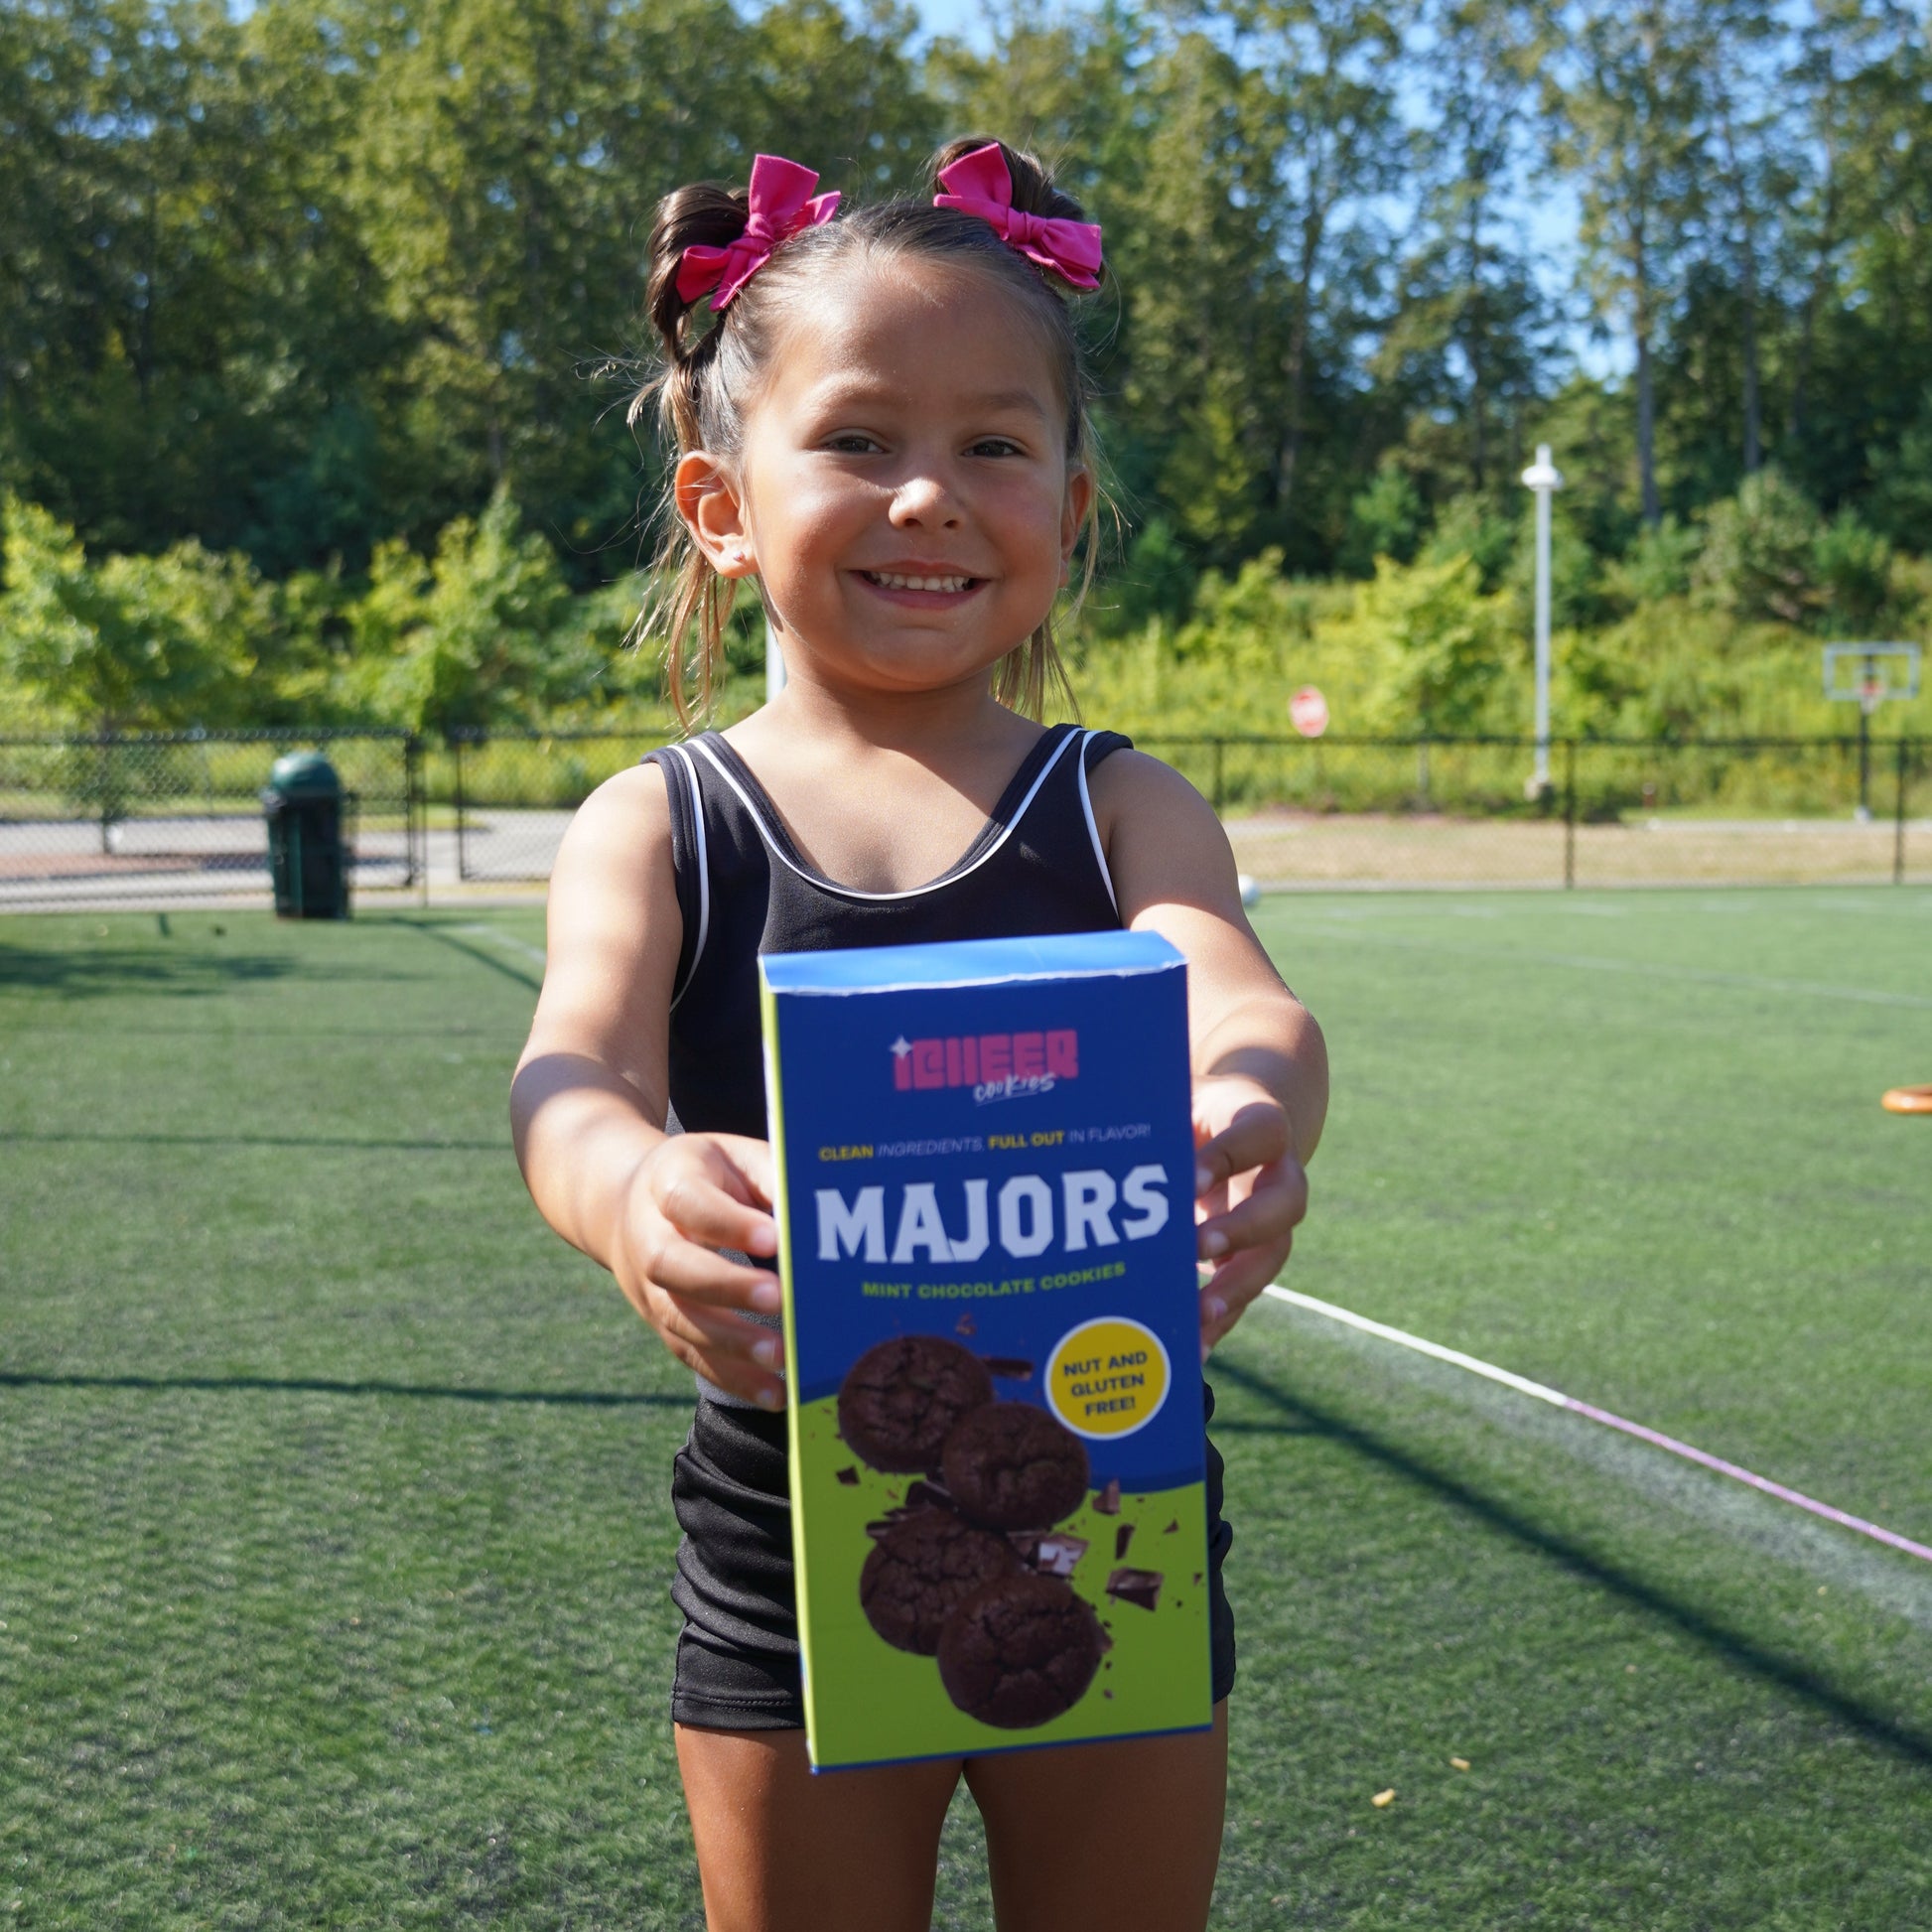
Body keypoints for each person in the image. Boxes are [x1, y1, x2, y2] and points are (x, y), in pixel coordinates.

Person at [510, 137, 1329, 1932]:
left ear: (1070, 496)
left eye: (993, 446)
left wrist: (1256, 1101)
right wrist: (630, 1189)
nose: (928, 497)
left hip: (1112, 1492)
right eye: (859, 439)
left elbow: (1236, 991)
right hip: (787, 1536)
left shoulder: (1120, 807)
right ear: (720, 500)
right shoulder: (660, 826)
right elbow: (568, 1081)